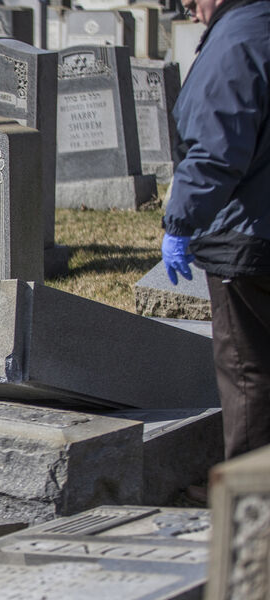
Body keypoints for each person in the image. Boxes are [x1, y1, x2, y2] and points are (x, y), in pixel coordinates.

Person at [161, 0, 270, 462]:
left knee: (248, 374)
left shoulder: (236, 41)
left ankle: (252, 512)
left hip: (246, 238)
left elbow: (215, 149)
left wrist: (180, 222)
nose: (187, 4)